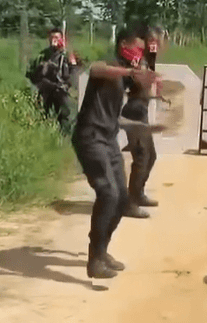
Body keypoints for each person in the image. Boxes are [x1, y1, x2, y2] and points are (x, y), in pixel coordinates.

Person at [72, 25, 159, 279]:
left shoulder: (124, 78)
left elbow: (115, 118)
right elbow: (95, 69)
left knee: (122, 198)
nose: (140, 54)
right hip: (90, 137)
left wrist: (145, 127)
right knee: (108, 193)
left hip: (108, 139)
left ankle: (101, 251)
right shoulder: (110, 66)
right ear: (124, 46)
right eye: (137, 49)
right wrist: (130, 71)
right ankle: (94, 259)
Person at [119, 26, 166, 219]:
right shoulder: (134, 59)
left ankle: (137, 194)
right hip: (134, 111)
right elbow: (130, 82)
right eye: (152, 41)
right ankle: (129, 203)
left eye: (158, 40)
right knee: (142, 157)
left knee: (151, 156)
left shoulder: (146, 59)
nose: (156, 44)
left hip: (141, 110)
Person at [26, 27, 81, 132]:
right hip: (46, 90)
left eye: (56, 37)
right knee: (42, 115)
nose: (53, 40)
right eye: (51, 38)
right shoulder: (43, 55)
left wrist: (71, 60)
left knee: (64, 116)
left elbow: (76, 73)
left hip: (62, 90)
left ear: (62, 39)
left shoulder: (68, 55)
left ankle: (64, 138)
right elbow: (32, 74)